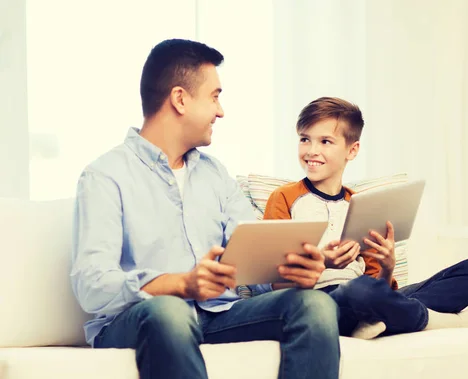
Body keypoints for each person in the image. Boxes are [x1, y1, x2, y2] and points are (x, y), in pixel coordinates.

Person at [70, 39, 340, 379]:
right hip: (140, 320)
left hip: (219, 314)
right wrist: (182, 284)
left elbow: (253, 258)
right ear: (180, 99)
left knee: (314, 305)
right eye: (215, 96)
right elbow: (92, 285)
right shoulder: (105, 176)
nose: (221, 111)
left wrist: (288, 272)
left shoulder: (214, 174)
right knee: (169, 311)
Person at [263, 96, 468, 339]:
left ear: (352, 150)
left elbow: (379, 286)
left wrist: (387, 267)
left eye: (325, 141)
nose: (311, 150)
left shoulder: (361, 205)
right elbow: (275, 282)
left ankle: (380, 321)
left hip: (369, 297)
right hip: (321, 301)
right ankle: (446, 321)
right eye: (305, 139)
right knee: (361, 291)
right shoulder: (284, 198)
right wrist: (323, 262)